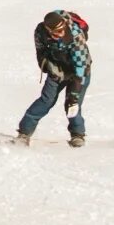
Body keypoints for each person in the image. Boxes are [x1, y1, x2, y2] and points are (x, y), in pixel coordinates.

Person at [16, 10, 92, 148]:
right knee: (46, 101)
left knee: (72, 104)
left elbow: (81, 65)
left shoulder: (75, 35)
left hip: (79, 73)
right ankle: (24, 133)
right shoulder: (40, 32)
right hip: (57, 71)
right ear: (48, 29)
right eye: (56, 32)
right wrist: (48, 66)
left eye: (62, 30)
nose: (61, 34)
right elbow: (40, 53)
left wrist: (74, 92)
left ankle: (77, 135)